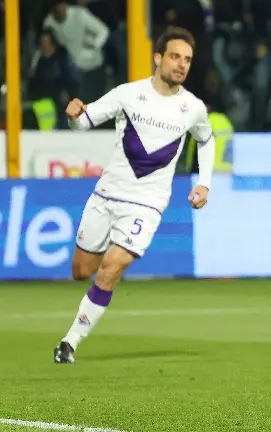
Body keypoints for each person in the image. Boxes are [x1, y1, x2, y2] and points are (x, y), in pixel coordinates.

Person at [53, 27, 216, 364]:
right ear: (158, 58)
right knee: (82, 270)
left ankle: (70, 342)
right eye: (175, 56)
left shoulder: (193, 107)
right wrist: (73, 116)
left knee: (111, 269)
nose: (181, 64)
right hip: (107, 195)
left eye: (187, 59)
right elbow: (84, 122)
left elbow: (206, 139)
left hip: (147, 203)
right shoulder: (127, 94)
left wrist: (205, 182)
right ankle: (80, 323)